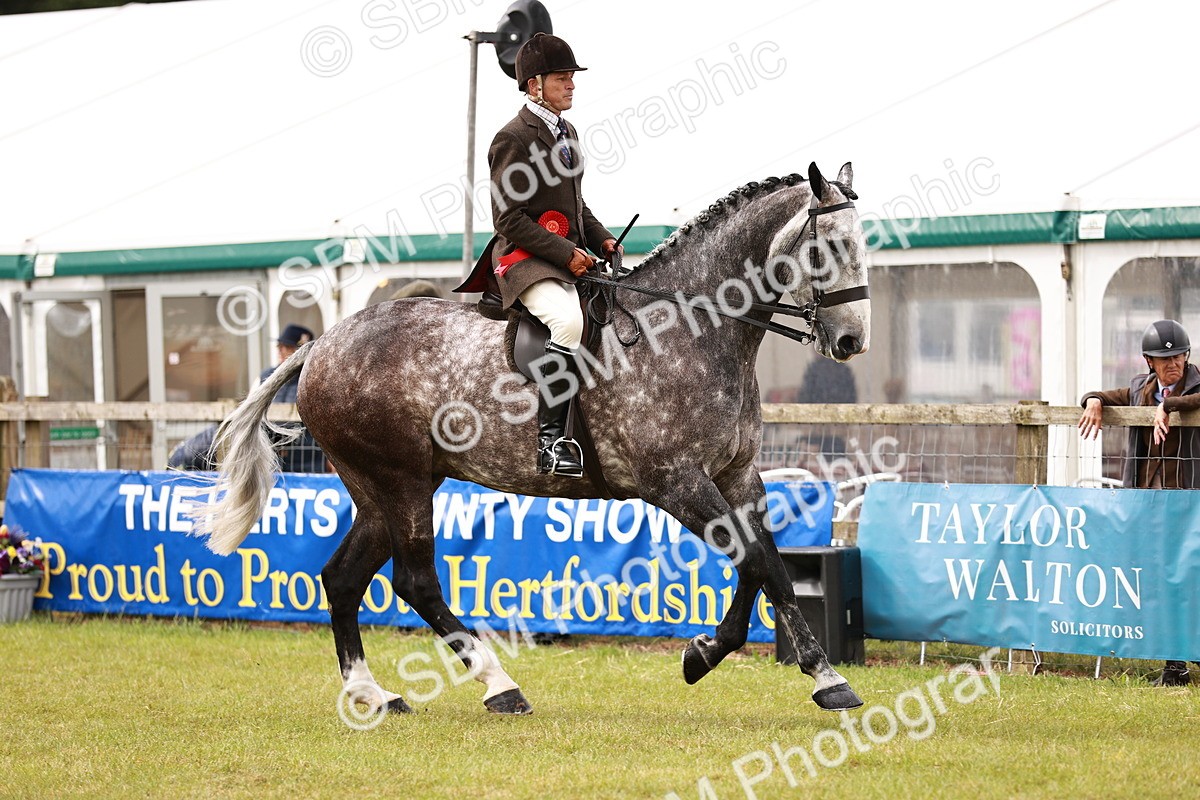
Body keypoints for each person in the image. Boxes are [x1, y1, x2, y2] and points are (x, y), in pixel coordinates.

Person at [457, 33, 618, 478]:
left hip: (565, 255)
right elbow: (507, 218)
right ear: (534, 85)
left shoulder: (567, 132)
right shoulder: (512, 137)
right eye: (562, 78)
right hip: (524, 260)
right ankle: (551, 442)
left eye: (571, 78)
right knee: (567, 322)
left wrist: (602, 239)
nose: (572, 85)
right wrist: (567, 254)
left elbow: (576, 205)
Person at [1078, 318, 1200, 686]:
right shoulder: (1139, 388)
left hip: (1190, 504)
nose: (1173, 363)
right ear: (1149, 361)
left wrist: (1169, 405)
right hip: (1150, 505)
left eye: (1178, 356)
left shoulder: (1197, 384)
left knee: (1191, 580)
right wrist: (1094, 400)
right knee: (1162, 582)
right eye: (1164, 359)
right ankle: (1175, 666)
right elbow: (1103, 395)